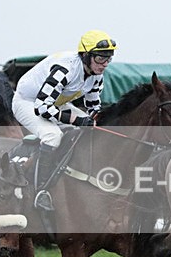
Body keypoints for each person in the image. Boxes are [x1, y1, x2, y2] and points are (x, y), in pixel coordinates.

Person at [12, 29, 116, 210]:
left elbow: (93, 108)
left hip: (55, 103)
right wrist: (77, 121)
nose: (104, 64)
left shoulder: (97, 76)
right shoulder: (65, 69)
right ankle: (41, 191)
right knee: (52, 136)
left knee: (92, 127)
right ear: (85, 55)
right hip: (28, 102)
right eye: (100, 58)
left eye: (108, 58)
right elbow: (42, 108)